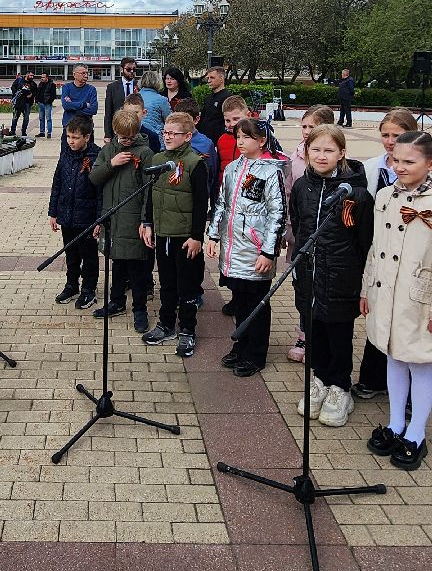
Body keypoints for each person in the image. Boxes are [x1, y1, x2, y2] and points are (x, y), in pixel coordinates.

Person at [361, 131, 432, 472]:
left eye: (409, 161)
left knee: (418, 360)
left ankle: (416, 432)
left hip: (418, 297)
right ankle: (395, 423)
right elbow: (375, 247)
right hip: (386, 292)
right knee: (393, 354)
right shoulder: (385, 196)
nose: (400, 166)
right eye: (396, 160)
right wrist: (366, 289)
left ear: (431, 164)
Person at [353, 108, 432, 398]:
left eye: (396, 135)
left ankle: (409, 397)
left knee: (407, 331)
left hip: (411, 264)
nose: (390, 141)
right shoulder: (373, 168)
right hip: (380, 248)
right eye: (385, 135)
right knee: (381, 321)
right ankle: (373, 379)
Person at [289, 124, 373, 426]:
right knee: (316, 334)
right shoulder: (301, 187)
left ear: (341, 154)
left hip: (341, 279)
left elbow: (365, 242)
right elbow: (298, 226)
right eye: (316, 149)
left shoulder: (359, 195)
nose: (321, 156)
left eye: (329, 150)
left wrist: (360, 279)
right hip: (309, 276)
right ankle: (320, 380)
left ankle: (340, 387)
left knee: (338, 335)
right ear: (307, 151)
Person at [205, 118, 287, 377]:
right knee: (240, 300)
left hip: (255, 249)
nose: (241, 142)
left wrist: (268, 251)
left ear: (261, 140)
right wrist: (214, 236)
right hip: (233, 248)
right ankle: (241, 345)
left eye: (247, 137)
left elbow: (277, 213)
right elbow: (220, 204)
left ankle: (256, 354)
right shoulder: (232, 169)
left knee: (257, 303)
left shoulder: (270, 172)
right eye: (238, 137)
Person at [139, 111, 208, 358]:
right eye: (165, 132)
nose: (167, 137)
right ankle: (166, 324)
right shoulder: (158, 159)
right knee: (166, 283)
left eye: (173, 133)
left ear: (188, 136)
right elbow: (150, 194)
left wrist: (197, 236)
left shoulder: (195, 163)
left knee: (187, 285)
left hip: (185, 236)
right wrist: (147, 222)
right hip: (163, 232)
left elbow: (202, 204)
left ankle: (188, 329)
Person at [89, 106, 155, 331]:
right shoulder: (108, 151)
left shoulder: (145, 153)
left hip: (134, 220)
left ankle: (140, 310)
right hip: (112, 218)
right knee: (116, 263)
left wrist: (146, 221)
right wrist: (112, 163)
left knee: (136, 268)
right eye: (122, 136)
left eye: (131, 137)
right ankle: (116, 301)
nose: (126, 141)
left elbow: (149, 190)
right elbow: (95, 178)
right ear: (115, 131)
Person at [284, 105, 337, 362]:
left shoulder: (333, 160)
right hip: (300, 237)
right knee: (301, 288)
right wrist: (287, 230)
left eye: (311, 127)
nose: (306, 132)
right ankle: (304, 334)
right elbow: (288, 196)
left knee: (322, 289)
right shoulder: (293, 159)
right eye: (303, 126)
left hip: (326, 242)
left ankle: (321, 336)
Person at [48, 114, 101, 309]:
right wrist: (53, 212)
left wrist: (99, 220)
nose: (71, 141)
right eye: (68, 136)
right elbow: (57, 185)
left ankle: (89, 289)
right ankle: (72, 285)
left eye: (75, 137)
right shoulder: (65, 155)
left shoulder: (96, 156)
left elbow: (100, 192)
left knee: (88, 255)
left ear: (87, 137)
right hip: (66, 214)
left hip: (86, 217)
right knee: (70, 253)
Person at [103, 57, 140, 140]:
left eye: (134, 69)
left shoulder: (140, 86)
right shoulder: (112, 87)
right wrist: (107, 135)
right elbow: (108, 113)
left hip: (135, 131)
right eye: (128, 69)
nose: (132, 72)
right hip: (117, 131)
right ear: (121, 69)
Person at [196, 65, 232, 144]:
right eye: (208, 78)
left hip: (219, 142)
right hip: (205, 141)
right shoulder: (208, 98)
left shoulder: (228, 98)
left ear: (221, 79)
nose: (208, 81)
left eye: (212, 78)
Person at [136, 70, 171, 151]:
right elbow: (169, 120)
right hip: (156, 141)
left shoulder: (133, 98)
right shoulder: (162, 100)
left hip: (136, 139)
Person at [60, 64, 99, 131]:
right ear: (74, 75)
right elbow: (66, 106)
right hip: (69, 127)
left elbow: (93, 109)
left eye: (87, 73)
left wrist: (72, 106)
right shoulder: (66, 87)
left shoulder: (91, 89)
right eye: (83, 73)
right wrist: (84, 104)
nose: (86, 76)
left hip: (86, 128)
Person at [35, 73, 58, 138]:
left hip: (47, 104)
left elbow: (53, 95)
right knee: (41, 118)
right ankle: (42, 132)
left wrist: (49, 101)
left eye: (43, 77)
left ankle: (49, 133)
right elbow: (38, 92)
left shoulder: (52, 85)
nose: (42, 78)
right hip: (40, 103)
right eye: (41, 77)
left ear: (47, 78)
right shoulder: (40, 84)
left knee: (48, 118)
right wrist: (37, 100)